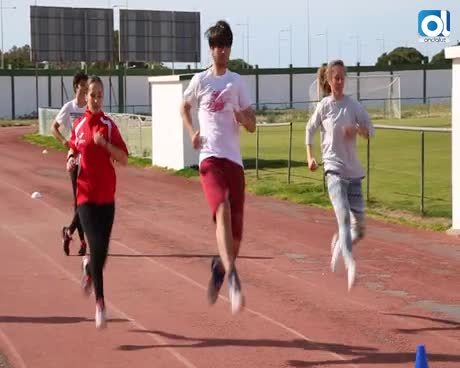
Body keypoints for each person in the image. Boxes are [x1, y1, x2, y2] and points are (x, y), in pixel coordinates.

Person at [180, 20, 256, 314]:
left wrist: (242, 116)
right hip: (210, 159)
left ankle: (220, 268)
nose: (220, 50)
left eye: (224, 45)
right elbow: (183, 106)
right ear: (210, 49)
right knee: (221, 208)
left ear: (229, 48)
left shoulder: (236, 82)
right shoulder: (200, 81)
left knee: (236, 239)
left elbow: (252, 124)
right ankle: (234, 279)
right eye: (215, 45)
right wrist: (191, 132)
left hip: (233, 162)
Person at [305, 60, 374, 291]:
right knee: (343, 218)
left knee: (359, 229)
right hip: (333, 170)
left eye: (343, 77)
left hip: (354, 173)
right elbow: (309, 129)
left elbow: (370, 130)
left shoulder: (353, 106)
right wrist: (310, 157)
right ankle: (351, 263)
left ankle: (338, 246)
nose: (340, 82)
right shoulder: (324, 106)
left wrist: (356, 130)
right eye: (336, 78)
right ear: (328, 80)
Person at [66, 76, 128, 328]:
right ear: (86, 98)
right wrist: (70, 158)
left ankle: (90, 269)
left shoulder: (109, 126)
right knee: (96, 245)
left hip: (107, 198)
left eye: (101, 95)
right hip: (85, 197)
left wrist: (105, 145)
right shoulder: (79, 125)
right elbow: (73, 147)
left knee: (102, 252)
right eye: (93, 95)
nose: (97, 99)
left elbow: (124, 158)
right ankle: (100, 303)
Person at [51, 71, 89, 256]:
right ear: (76, 86)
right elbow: (54, 128)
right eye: (82, 84)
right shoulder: (69, 107)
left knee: (85, 201)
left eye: (87, 84)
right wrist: (66, 143)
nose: (85, 88)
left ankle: (69, 232)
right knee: (79, 202)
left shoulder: (90, 107)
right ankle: (82, 242)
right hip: (75, 159)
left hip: (90, 160)